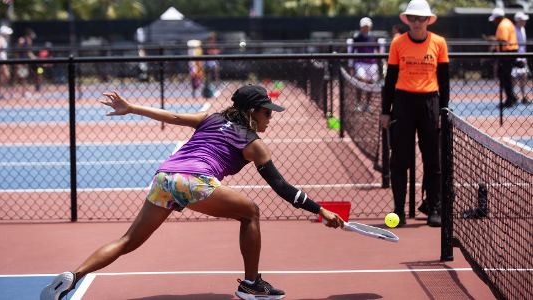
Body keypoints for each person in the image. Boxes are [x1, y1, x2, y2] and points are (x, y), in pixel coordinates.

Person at [39, 85, 346, 300]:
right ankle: (251, 285)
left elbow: (172, 117)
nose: (271, 117)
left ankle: (72, 277)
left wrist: (131, 108)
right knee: (250, 212)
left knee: (128, 241)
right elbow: (282, 188)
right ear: (254, 112)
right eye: (268, 112)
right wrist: (320, 211)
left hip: (164, 176)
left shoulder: (211, 118)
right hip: (194, 179)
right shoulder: (254, 144)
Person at [380, 0, 449, 228]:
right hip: (402, 103)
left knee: (432, 159)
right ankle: (399, 210)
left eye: (421, 18)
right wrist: (385, 111)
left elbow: (444, 81)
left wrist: (443, 111)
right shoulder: (398, 43)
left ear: (428, 20)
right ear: (407, 20)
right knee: (399, 159)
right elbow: (390, 80)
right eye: (413, 18)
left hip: (430, 103)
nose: (417, 22)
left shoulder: (439, 43)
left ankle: (435, 208)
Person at [347, 17, 382, 113]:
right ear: (360, 27)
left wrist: (383, 63)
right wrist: (351, 65)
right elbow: (352, 52)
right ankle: (358, 104)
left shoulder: (374, 38)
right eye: (363, 26)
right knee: (360, 81)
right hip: (360, 63)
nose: (365, 28)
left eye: (367, 26)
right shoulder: (357, 38)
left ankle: (367, 104)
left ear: (370, 27)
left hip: (372, 64)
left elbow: (379, 52)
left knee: (370, 84)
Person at [489, 8, 520, 108]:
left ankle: (510, 99)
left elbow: (503, 40)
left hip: (507, 52)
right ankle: (511, 97)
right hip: (509, 52)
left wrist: (493, 39)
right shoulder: (507, 22)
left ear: (498, 17)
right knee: (505, 76)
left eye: (495, 19)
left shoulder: (503, 24)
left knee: (505, 76)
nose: (494, 21)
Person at [512, 11, 531, 105]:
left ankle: (523, 95)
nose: (524, 21)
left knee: (524, 76)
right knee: (514, 77)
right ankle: (513, 95)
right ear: (518, 20)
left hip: (522, 57)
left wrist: (525, 56)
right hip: (515, 57)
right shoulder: (514, 29)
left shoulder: (523, 29)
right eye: (523, 20)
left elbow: (523, 45)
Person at [14, 28, 37, 98]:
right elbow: (17, 52)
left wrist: (34, 57)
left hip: (25, 62)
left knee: (24, 77)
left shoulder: (29, 41)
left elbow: (29, 52)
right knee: (16, 76)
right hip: (20, 61)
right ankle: (12, 91)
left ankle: (24, 91)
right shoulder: (21, 41)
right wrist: (18, 62)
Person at [0, 25, 13, 100]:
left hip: (1, 60)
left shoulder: (2, 39)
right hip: (0, 61)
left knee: (2, 76)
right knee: (6, 75)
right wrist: (2, 59)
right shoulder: (0, 39)